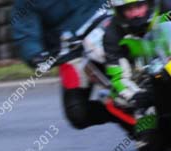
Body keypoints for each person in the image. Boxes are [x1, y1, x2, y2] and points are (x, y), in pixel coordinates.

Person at [12, 0, 114, 130]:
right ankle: (116, 114)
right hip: (72, 53)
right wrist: (35, 55)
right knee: (77, 113)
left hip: (111, 32)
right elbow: (25, 31)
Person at [103, 0, 167, 151]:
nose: (136, 13)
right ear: (120, 12)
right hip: (145, 85)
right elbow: (118, 76)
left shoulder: (167, 9)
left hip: (169, 66)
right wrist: (136, 95)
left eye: (139, 6)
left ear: (150, 4)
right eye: (129, 9)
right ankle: (147, 128)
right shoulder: (112, 34)